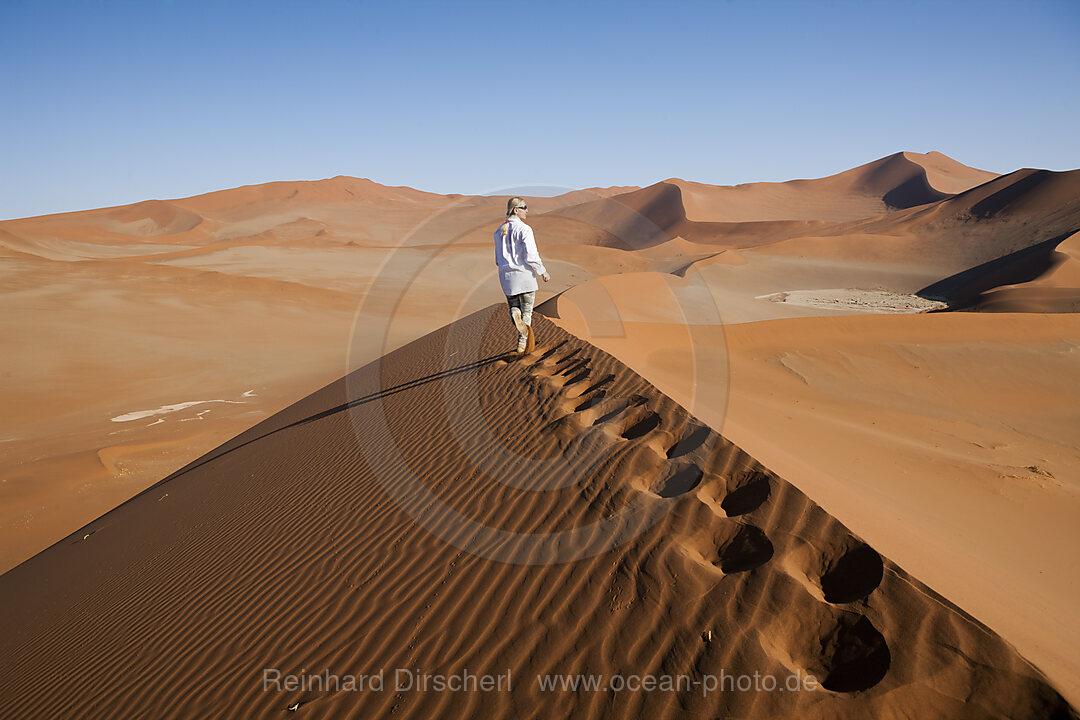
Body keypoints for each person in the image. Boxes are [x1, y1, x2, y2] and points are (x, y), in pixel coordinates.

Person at [494, 196, 550, 354]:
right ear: (516, 210)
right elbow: (531, 256)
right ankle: (522, 344)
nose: (527, 211)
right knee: (527, 311)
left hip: (507, 278)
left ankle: (515, 315)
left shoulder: (498, 232)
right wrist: (542, 271)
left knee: (514, 307)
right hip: (525, 277)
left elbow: (498, 260)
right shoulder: (525, 229)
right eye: (524, 207)